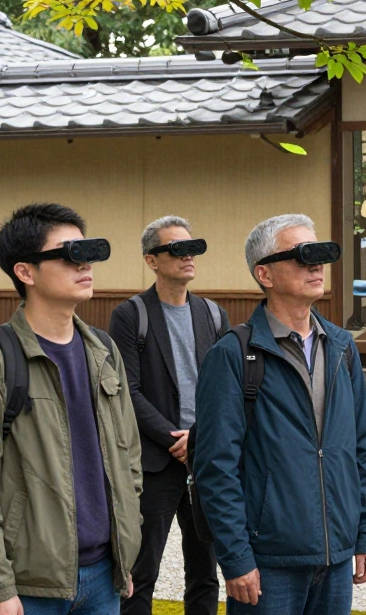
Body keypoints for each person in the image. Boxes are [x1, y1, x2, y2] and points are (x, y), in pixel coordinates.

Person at [0, 203, 142, 615]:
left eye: (88, 253)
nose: (85, 265)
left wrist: (125, 551)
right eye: (69, 255)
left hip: (104, 578)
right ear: (26, 272)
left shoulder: (104, 351)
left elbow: (128, 456)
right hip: (24, 588)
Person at [192, 214, 366, 615]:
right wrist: (237, 558)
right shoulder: (232, 355)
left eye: (319, 254)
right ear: (265, 274)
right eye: (300, 255)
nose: (315, 265)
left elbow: (361, 448)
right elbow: (215, 468)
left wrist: (365, 534)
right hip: (267, 563)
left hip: (335, 558)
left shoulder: (343, 348)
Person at [112, 216, 229, 615]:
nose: (188, 256)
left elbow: (223, 391)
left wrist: (197, 438)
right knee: (141, 572)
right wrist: (172, 438)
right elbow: (128, 389)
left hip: (205, 459)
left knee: (206, 574)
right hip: (156, 462)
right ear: (152, 260)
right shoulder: (131, 314)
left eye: (192, 247)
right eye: (176, 249)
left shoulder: (213, 315)